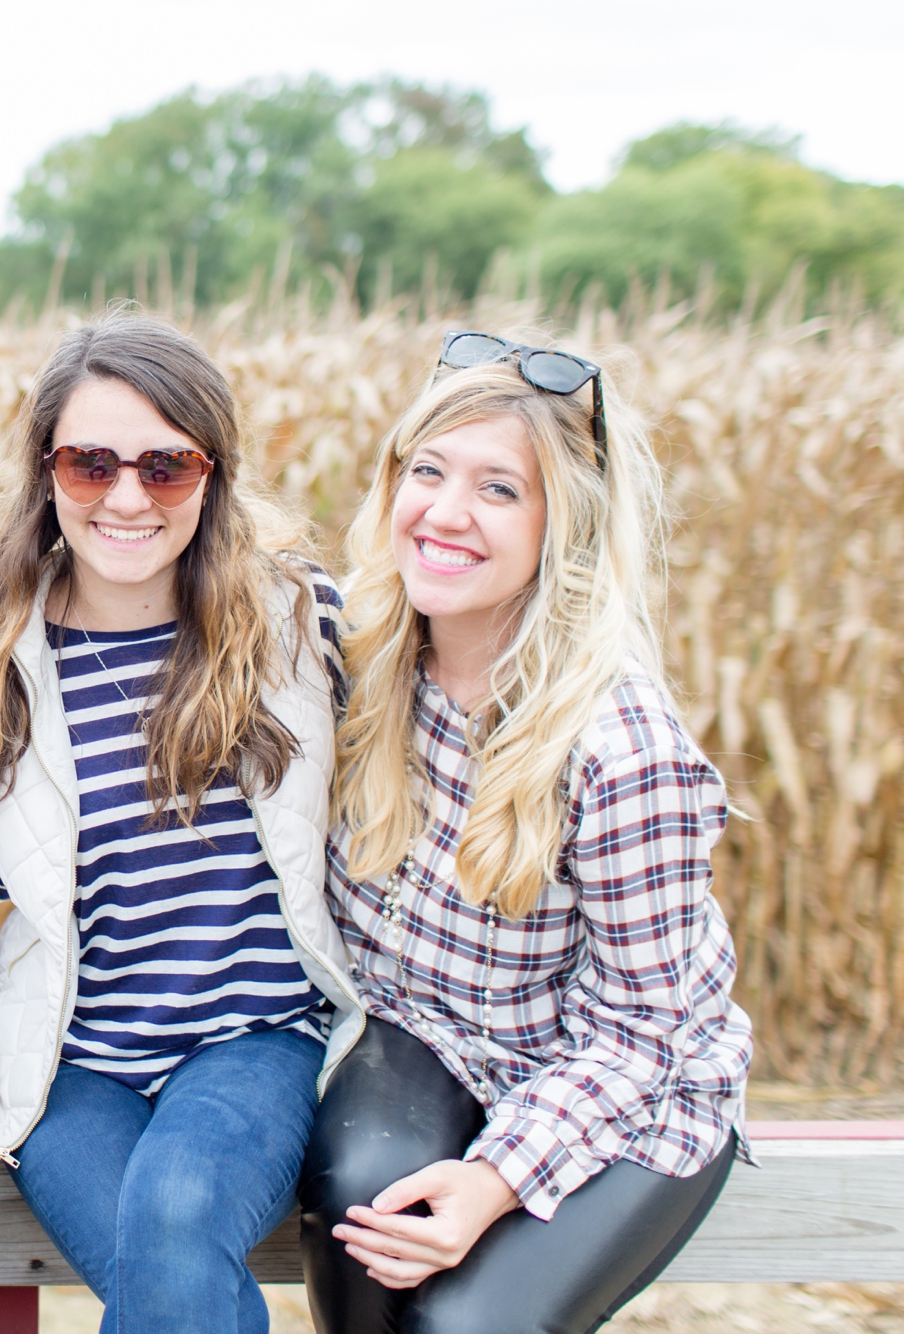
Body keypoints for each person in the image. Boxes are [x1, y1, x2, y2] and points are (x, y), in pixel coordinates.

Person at [301, 333, 752, 1334]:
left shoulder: (621, 749)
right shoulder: (358, 658)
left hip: (624, 1082)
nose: (445, 513)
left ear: (563, 523)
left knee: (464, 1327)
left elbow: (644, 1030)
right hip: (425, 1035)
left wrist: (499, 1175)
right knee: (362, 1211)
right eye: (426, 471)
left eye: (498, 489)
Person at [0, 314, 364, 1334]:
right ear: (45, 474)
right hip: (72, 1054)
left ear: (210, 476)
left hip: (252, 1036)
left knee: (172, 1220)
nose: (126, 497)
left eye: (165, 468)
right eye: (90, 464)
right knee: (173, 1288)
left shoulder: (294, 628)